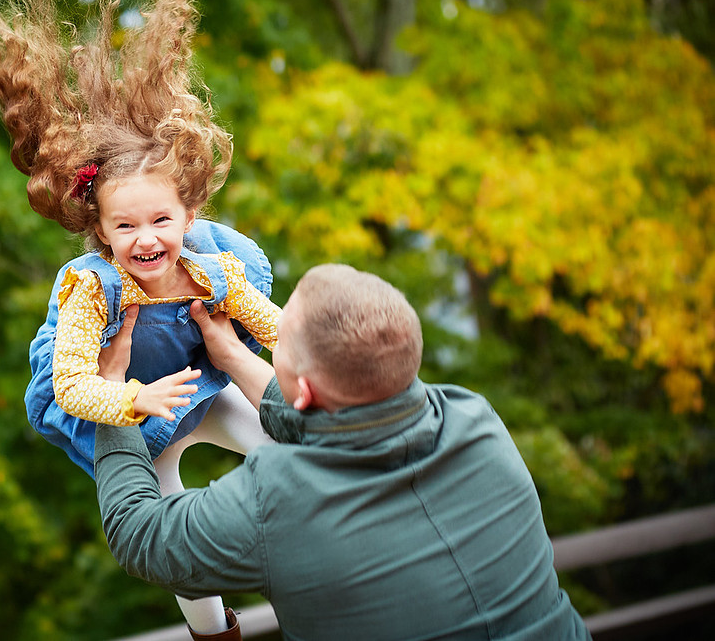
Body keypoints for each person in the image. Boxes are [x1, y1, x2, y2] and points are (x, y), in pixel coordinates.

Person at [0, 0, 281, 638]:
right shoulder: (92, 289)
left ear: (189, 216)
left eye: (161, 221)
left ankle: (306, 585)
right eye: (126, 226)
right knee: (166, 515)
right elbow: (73, 382)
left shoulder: (214, 262)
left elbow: (274, 327)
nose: (146, 239)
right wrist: (131, 400)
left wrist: (309, 358)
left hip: (201, 384)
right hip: (132, 410)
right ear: (100, 231)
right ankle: (212, 629)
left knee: (287, 450)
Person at [95, 263, 593, 640]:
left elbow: (138, 534)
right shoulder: (474, 418)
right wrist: (233, 356)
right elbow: (347, 424)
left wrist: (111, 394)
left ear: (306, 391)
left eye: (278, 345)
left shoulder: (277, 500)